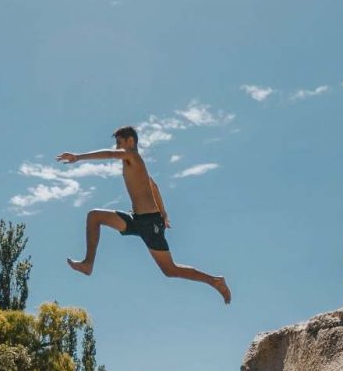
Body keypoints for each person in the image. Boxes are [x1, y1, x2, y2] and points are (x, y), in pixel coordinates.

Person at [57, 125, 231, 304]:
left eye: (119, 143)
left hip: (149, 223)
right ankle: (88, 264)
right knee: (94, 216)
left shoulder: (132, 156)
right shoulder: (135, 165)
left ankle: (215, 281)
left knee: (170, 270)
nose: (117, 148)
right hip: (136, 220)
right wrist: (163, 212)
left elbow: (110, 154)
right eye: (116, 144)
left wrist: (78, 157)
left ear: (130, 141)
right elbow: (153, 186)